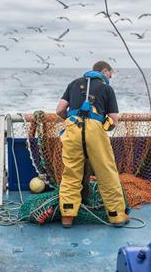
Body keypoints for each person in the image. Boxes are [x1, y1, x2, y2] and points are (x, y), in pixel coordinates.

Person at [55, 60, 129, 228]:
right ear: (104, 71)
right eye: (111, 73)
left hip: (72, 127)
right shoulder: (107, 88)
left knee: (71, 173)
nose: (111, 77)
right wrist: (105, 127)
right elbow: (113, 120)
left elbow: (59, 110)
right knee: (106, 173)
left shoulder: (73, 84)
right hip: (95, 129)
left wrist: (72, 119)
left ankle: (67, 216)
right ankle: (117, 216)